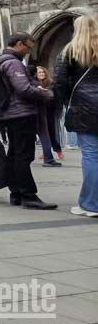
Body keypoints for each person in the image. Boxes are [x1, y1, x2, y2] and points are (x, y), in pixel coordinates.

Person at [0, 33, 57, 210]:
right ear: (19, 44)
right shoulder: (13, 62)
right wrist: (44, 93)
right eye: (28, 47)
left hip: (9, 113)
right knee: (24, 155)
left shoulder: (2, 60)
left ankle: (16, 193)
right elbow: (23, 89)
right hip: (21, 114)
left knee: (14, 154)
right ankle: (28, 195)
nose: (29, 51)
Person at [54, 14, 98, 217]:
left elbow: (60, 82)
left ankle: (90, 204)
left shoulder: (70, 51)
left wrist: (63, 103)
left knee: (90, 156)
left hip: (84, 108)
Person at [36, 66, 62, 167]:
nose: (41, 74)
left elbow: (53, 96)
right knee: (44, 134)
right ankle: (47, 152)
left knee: (51, 132)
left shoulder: (51, 83)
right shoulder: (35, 84)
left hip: (50, 111)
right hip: (40, 112)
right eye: (39, 72)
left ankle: (58, 150)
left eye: (43, 72)